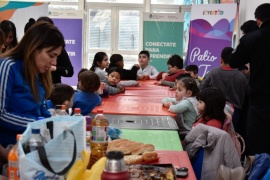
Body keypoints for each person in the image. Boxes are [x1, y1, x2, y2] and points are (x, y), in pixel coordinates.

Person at [0, 21, 65, 148]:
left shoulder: (38, 72)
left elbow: (39, 107)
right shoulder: (8, 66)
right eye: (51, 55)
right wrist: (38, 123)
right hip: (10, 146)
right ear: (34, 47)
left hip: (33, 142)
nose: (54, 62)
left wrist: (56, 121)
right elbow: (1, 114)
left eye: (56, 57)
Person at [229, 3, 270, 155]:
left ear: (258, 20)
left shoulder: (253, 38)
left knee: (257, 142)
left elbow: (234, 61)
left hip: (260, 100)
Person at [200, 47, 248, 131]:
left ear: (221, 59)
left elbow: (202, 88)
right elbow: (246, 96)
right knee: (231, 138)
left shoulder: (213, 73)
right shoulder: (241, 77)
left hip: (214, 111)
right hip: (234, 114)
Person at [37, 16, 74, 84]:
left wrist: (54, 68)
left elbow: (70, 71)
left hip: (53, 88)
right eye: (50, 55)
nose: (54, 62)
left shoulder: (58, 49)